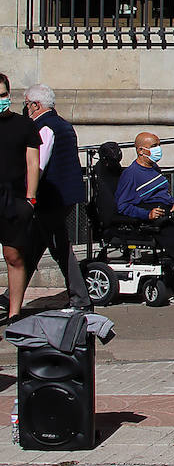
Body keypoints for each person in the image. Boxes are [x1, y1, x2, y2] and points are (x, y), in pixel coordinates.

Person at [114, 132, 174, 301]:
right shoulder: (131, 174)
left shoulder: (154, 169)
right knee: (167, 227)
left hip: (165, 206)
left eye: (158, 145)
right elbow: (122, 205)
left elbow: (164, 195)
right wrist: (147, 214)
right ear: (141, 151)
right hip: (148, 211)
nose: (158, 149)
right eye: (154, 146)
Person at [21, 85, 92, 311]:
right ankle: (10, 295)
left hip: (51, 198)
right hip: (64, 196)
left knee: (60, 248)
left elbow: (37, 166)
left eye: (27, 104)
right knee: (34, 246)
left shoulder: (44, 128)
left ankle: (81, 299)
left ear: (36, 105)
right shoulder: (62, 124)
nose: (25, 109)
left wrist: (27, 193)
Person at [0, 73, 40, 323]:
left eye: (3, 95)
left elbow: (32, 163)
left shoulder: (24, 125)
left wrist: (30, 198)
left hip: (12, 198)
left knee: (13, 255)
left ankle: (15, 312)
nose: (0, 99)